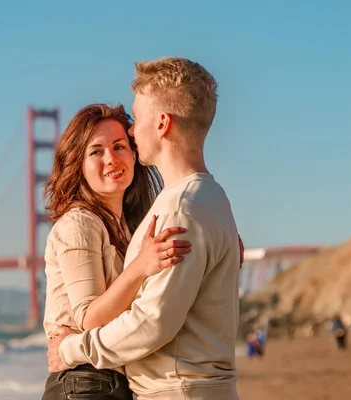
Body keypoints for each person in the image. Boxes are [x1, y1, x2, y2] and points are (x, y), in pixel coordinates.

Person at [48, 57, 242, 399]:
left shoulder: (181, 210)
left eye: (136, 121)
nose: (133, 131)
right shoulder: (211, 200)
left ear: (163, 123)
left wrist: (70, 349)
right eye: (96, 151)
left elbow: (151, 321)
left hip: (177, 391)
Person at [41, 103, 193, 400]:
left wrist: (217, 241)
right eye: (96, 151)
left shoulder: (130, 228)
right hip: (84, 383)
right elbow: (89, 318)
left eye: (119, 146)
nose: (111, 158)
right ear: (78, 164)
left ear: (134, 155)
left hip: (107, 383)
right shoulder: (79, 224)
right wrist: (139, 267)